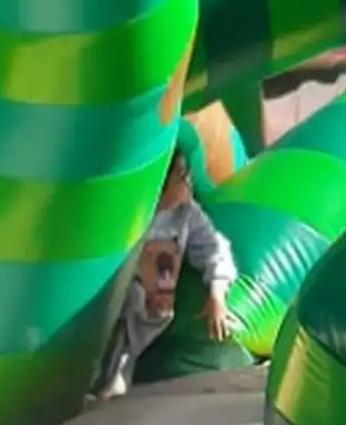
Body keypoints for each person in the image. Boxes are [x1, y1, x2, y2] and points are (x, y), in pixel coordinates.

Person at [92, 149, 238, 399]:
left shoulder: (186, 214)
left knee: (141, 310)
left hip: (153, 309)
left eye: (187, 176)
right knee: (131, 298)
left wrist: (217, 293)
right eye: (180, 177)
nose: (187, 184)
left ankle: (116, 375)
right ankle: (102, 377)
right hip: (119, 300)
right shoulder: (135, 210)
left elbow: (214, 249)